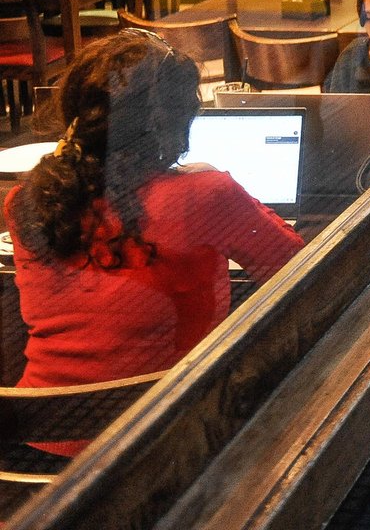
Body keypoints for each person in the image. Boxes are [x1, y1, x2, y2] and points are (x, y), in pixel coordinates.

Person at [4, 32, 303, 454]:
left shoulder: (28, 200)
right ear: (172, 125)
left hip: (33, 455)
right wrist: (216, 182)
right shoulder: (203, 195)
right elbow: (300, 271)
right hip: (161, 453)